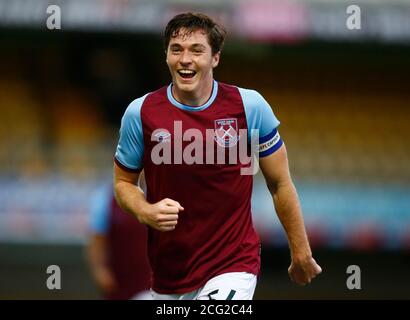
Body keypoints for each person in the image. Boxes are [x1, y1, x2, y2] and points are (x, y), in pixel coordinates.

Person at [113, 12, 321, 300]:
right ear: (167, 56)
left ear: (215, 58)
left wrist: (300, 250)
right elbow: (124, 183)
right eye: (177, 50)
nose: (185, 59)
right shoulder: (141, 112)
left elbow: (280, 183)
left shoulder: (250, 107)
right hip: (169, 274)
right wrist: (145, 210)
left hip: (233, 263)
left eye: (197, 50)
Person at [86, 177, 152, 300]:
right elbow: (97, 240)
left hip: (151, 280)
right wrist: (100, 270)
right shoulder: (105, 198)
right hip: (118, 278)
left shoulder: (158, 194)